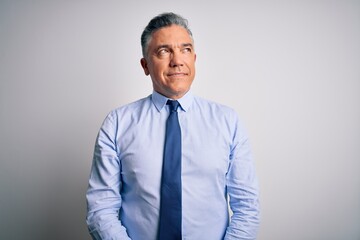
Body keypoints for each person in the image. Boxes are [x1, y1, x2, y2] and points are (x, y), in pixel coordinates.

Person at [86, 12, 260, 240]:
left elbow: (247, 206)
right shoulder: (118, 123)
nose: (177, 60)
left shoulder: (228, 121)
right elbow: (101, 208)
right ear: (145, 65)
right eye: (164, 51)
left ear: (194, 60)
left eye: (185, 50)